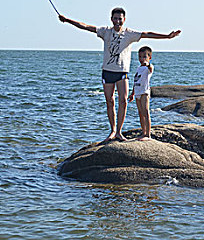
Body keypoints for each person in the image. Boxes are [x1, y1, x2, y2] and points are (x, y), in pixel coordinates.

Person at [59, 7, 181, 141]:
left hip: (122, 72)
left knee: (123, 101)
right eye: (115, 18)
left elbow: (147, 33)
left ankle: (119, 132)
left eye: (120, 19)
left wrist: (167, 36)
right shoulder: (105, 31)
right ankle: (112, 131)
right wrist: (67, 20)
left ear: (124, 19)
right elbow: (86, 26)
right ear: (111, 19)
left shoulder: (129, 34)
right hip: (107, 71)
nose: (117, 21)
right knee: (110, 101)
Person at [128, 46, 154, 140]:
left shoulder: (148, 68)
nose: (141, 59)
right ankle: (143, 132)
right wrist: (132, 93)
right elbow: (136, 81)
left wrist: (147, 64)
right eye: (140, 57)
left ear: (149, 58)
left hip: (144, 92)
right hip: (138, 92)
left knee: (145, 112)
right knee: (140, 113)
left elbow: (150, 68)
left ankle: (148, 134)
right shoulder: (139, 68)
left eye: (144, 57)